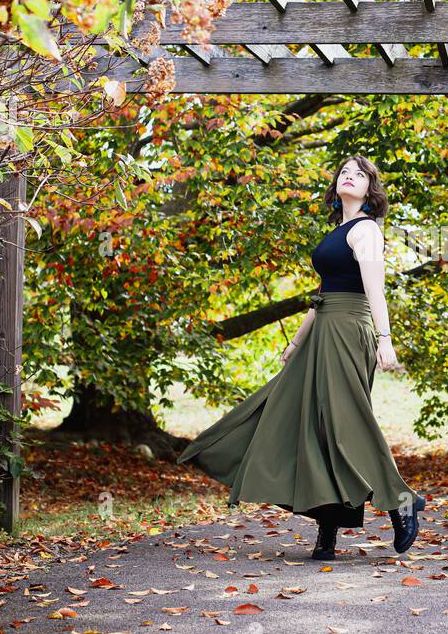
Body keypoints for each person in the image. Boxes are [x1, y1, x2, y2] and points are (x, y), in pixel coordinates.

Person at [176, 154, 426, 560]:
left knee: (344, 424)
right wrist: (296, 341)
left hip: (349, 329)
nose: (349, 176)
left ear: (370, 189)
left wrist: (385, 338)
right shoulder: (339, 229)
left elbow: (374, 289)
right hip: (324, 328)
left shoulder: (366, 231)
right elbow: (322, 293)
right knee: (310, 428)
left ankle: (402, 500)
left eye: (359, 174)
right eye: (344, 171)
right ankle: (327, 531)